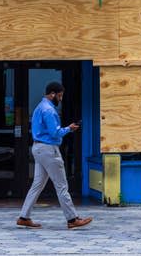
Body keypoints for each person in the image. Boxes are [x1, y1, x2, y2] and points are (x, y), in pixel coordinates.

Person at [16, 81, 93, 230]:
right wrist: (69, 129)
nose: (61, 99)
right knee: (62, 185)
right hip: (49, 150)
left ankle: (24, 217)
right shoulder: (49, 110)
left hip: (38, 148)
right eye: (60, 95)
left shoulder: (39, 107)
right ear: (52, 94)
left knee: (37, 185)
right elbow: (55, 132)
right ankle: (72, 219)